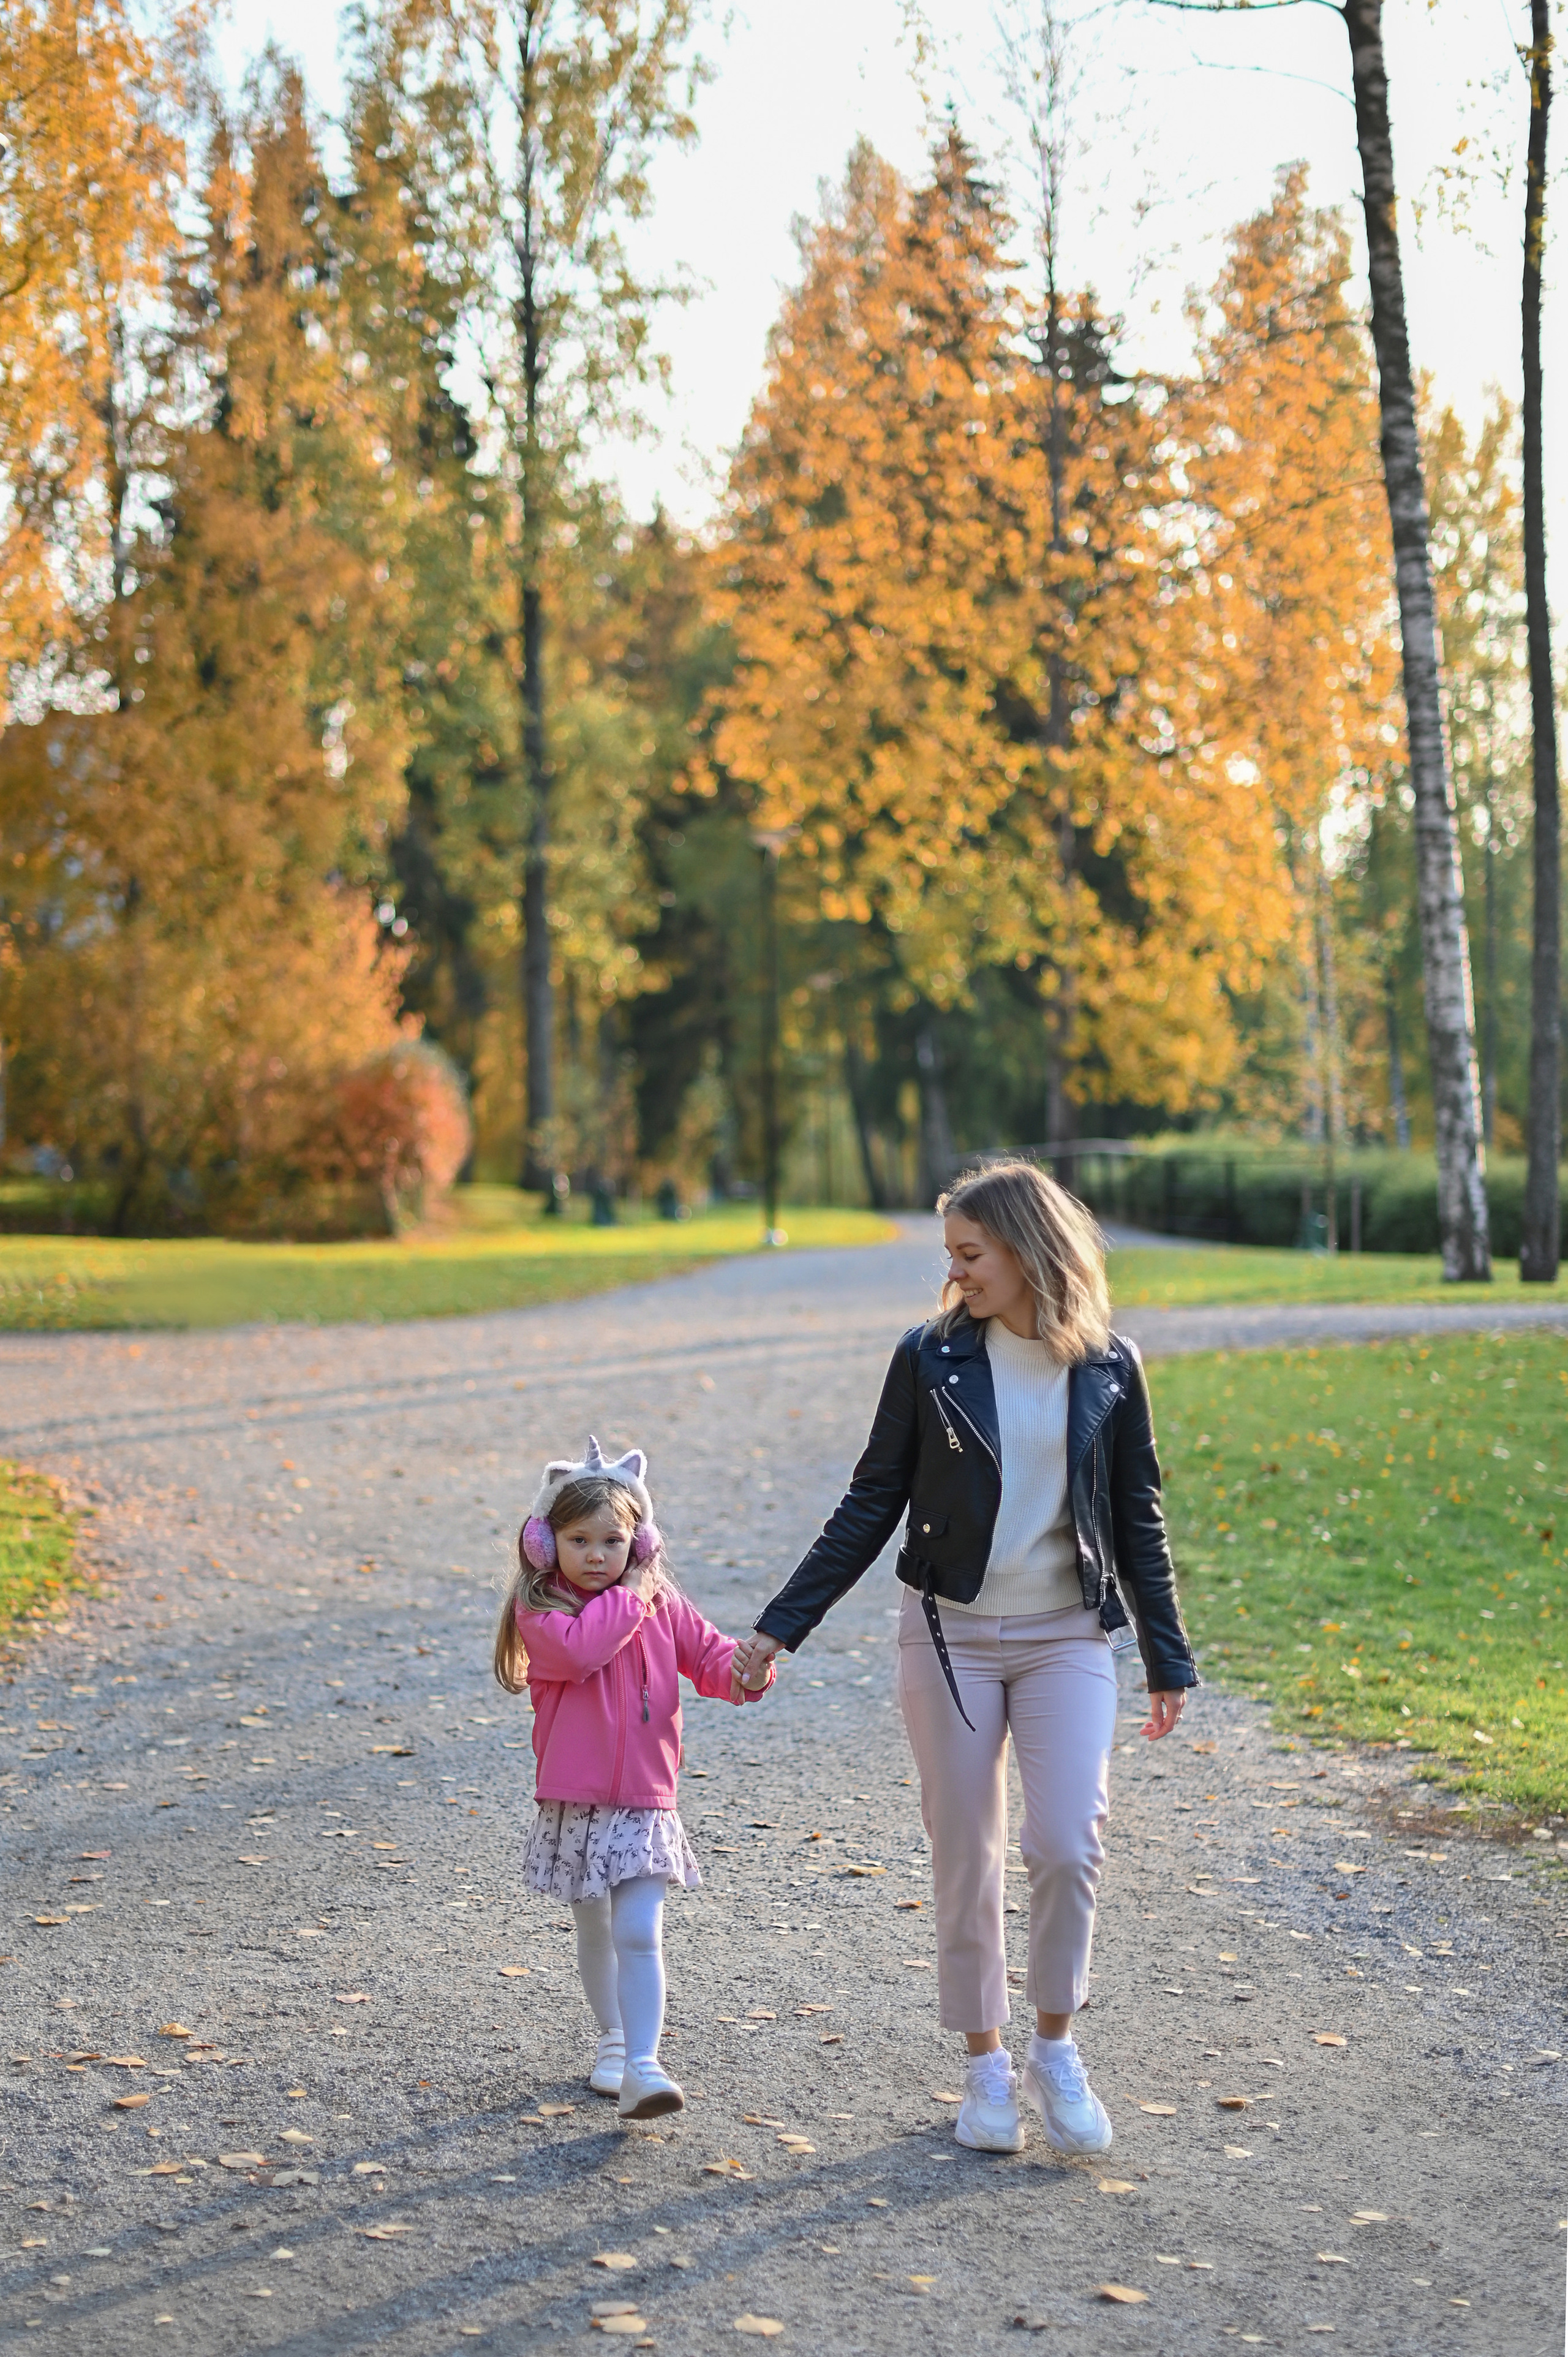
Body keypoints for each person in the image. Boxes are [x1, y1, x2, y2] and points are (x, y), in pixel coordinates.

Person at [731, 1162, 1197, 2158]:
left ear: (1031, 1251)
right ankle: (987, 2066)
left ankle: (1054, 2048)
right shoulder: (931, 1359)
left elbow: (1138, 1516)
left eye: (970, 1253)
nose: (953, 1273)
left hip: (1067, 1633)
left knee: (1069, 1842)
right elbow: (871, 1502)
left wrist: (1168, 1655)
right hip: (948, 1633)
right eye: (951, 1253)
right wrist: (780, 1627)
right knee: (969, 1853)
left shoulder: (1111, 1366)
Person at [496, 1436, 774, 2121]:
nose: (597, 1555)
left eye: (613, 1540)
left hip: (647, 1802)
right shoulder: (545, 1614)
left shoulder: (657, 1599)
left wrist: (749, 1668)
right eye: (579, 1540)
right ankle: (614, 2041)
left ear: (638, 1540)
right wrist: (636, 1587)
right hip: (578, 1802)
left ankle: (644, 2065)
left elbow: (710, 1659)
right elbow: (588, 1648)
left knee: (640, 1930)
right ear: (543, 1543)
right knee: (596, 1929)